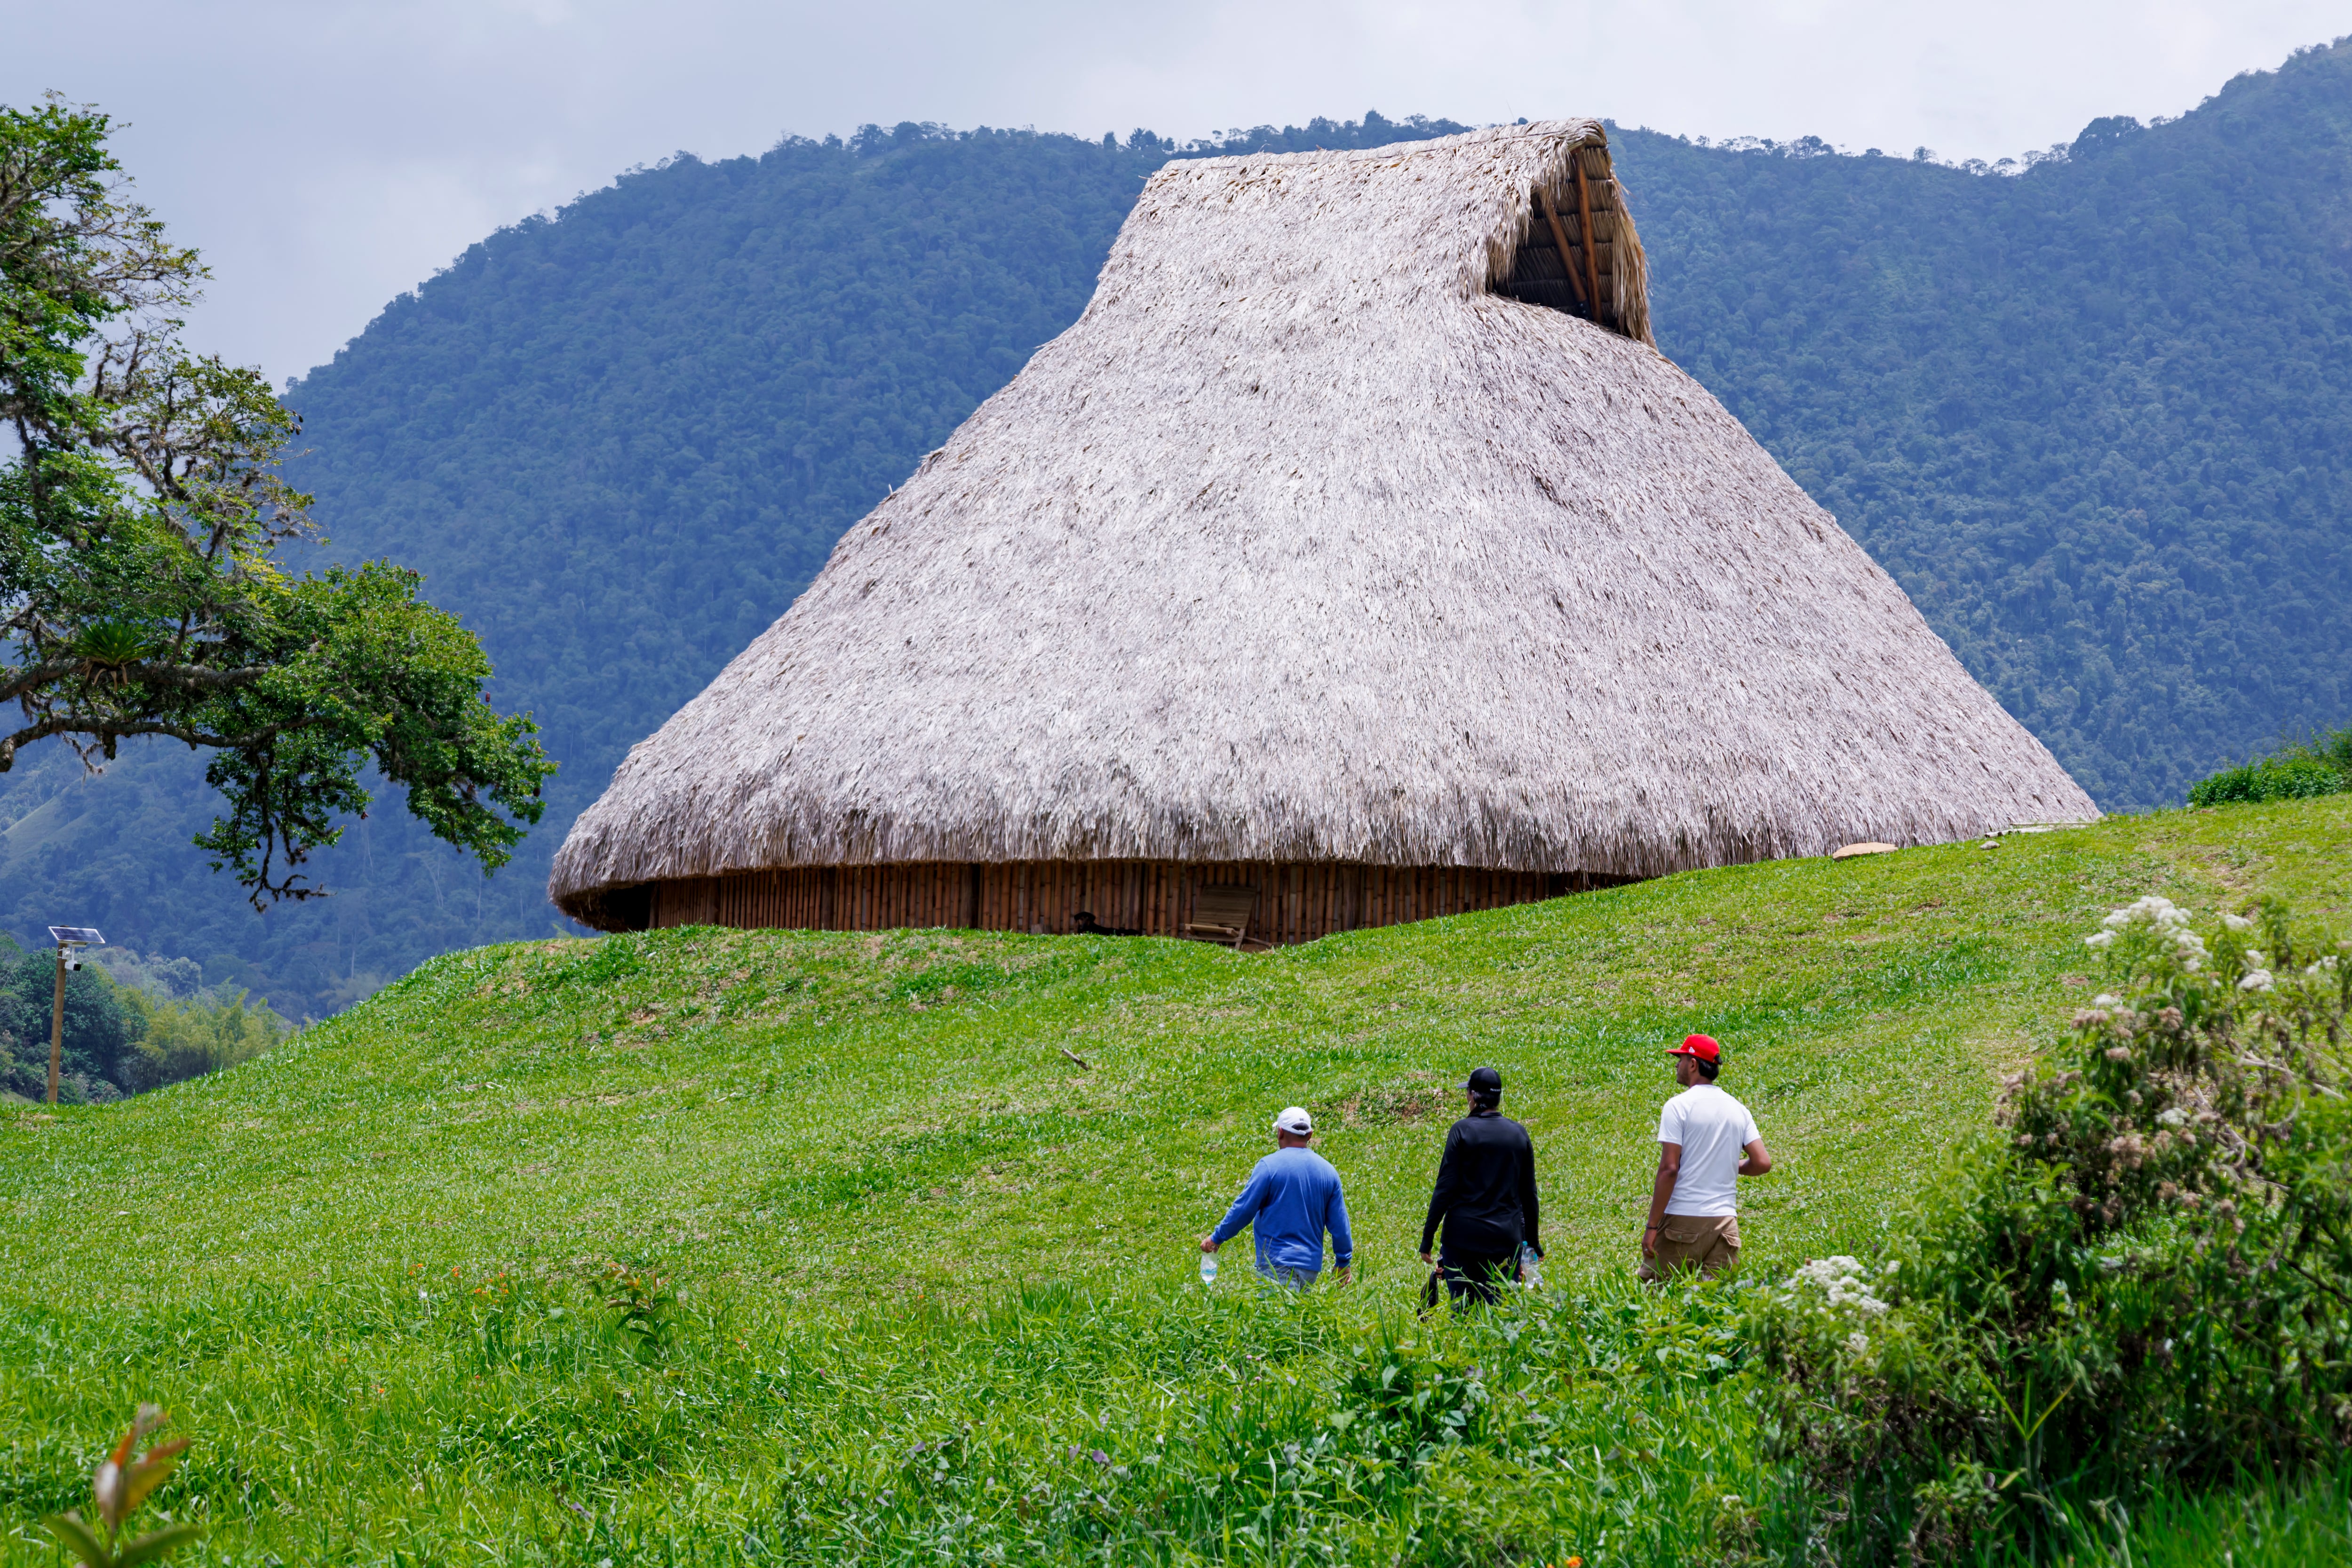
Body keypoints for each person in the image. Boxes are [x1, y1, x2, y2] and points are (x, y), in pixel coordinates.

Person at [1640, 1034, 1772, 1281]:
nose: (1677, 1066)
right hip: (1725, 1223)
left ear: (1693, 1064)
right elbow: (1762, 1163)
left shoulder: (1678, 1106)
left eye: (1680, 1059)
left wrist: (1652, 1227)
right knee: (1715, 1301)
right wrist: (1728, 1164)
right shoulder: (1738, 1108)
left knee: (1658, 1296)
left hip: (1683, 1221)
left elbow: (1670, 1169)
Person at [1418, 1067, 1541, 1305]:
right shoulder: (1519, 1134)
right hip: (1505, 1241)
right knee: (1501, 1311)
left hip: (1463, 1240)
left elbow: (1444, 1189)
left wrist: (1428, 1238)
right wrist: (1533, 1243)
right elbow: (1529, 1195)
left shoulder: (1461, 1131)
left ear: (1474, 1096)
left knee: (1463, 1312)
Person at [1201, 1106, 1354, 1288]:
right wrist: (1343, 1262)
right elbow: (1340, 1225)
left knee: (1277, 1317)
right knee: (1297, 1316)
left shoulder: (1269, 1167)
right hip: (1310, 1269)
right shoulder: (1328, 1172)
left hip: (1277, 1266)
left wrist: (1218, 1237)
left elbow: (1244, 1209)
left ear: (1280, 1132)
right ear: (1310, 1135)